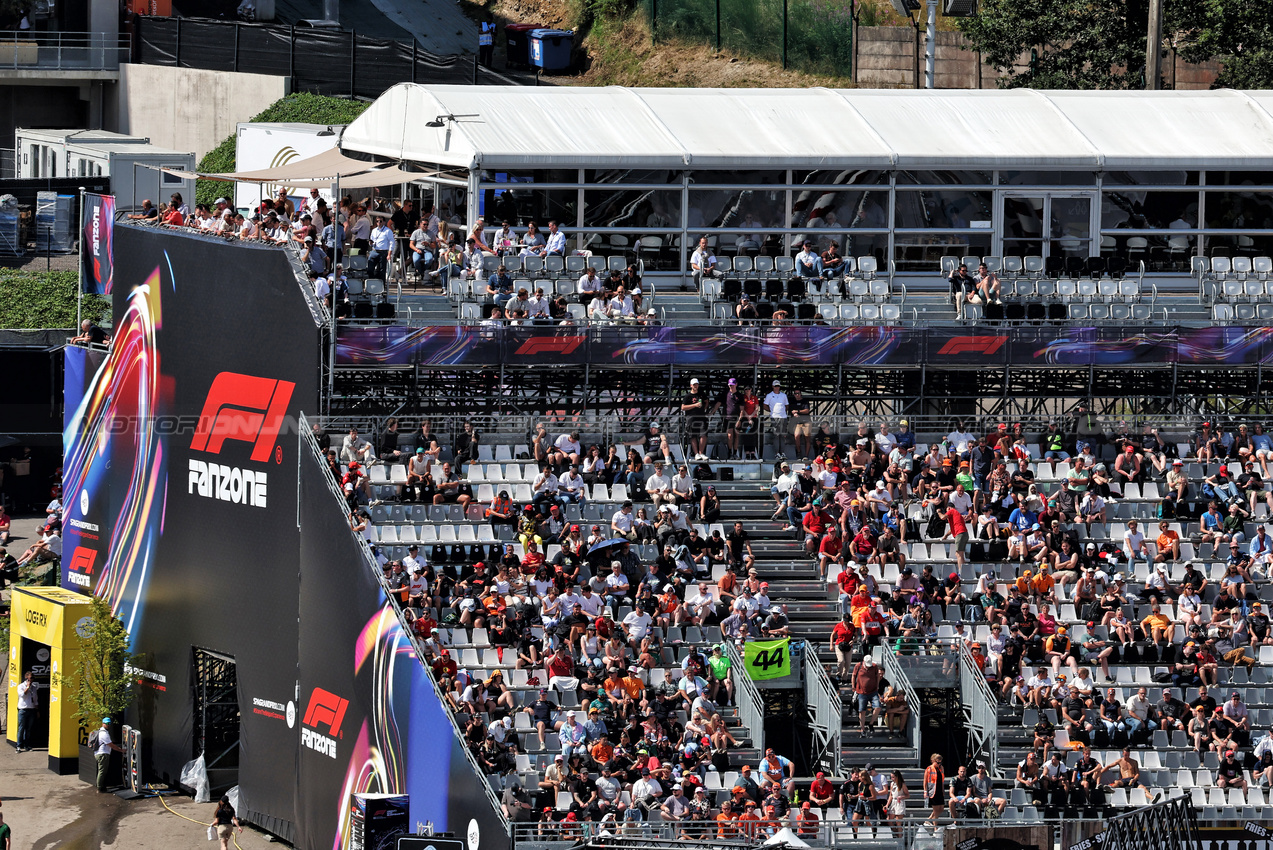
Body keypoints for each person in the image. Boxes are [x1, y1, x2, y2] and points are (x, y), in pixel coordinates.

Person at [93, 717, 125, 792]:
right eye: (107, 724)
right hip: (103, 754)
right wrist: (121, 750)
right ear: (103, 724)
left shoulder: (100, 731)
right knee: (102, 771)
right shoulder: (104, 734)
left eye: (109, 724)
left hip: (99, 753)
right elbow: (112, 745)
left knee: (102, 770)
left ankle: (101, 786)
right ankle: (100, 788)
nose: (108, 725)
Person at [15, 670, 36, 752]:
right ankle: (18, 746)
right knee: (21, 728)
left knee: (28, 729)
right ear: (26, 678)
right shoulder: (20, 686)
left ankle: (27, 745)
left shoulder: (34, 688)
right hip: (23, 710)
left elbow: (35, 699)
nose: (31, 680)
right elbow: (23, 695)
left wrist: (36, 710)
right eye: (30, 678)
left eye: (32, 678)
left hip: (31, 709)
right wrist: (27, 687)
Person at [923, 753, 945, 825]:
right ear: (933, 761)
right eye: (937, 762)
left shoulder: (941, 768)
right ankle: (935, 827)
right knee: (936, 811)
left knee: (941, 808)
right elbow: (925, 781)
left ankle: (929, 819)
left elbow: (942, 780)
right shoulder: (929, 769)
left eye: (940, 762)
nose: (939, 764)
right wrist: (925, 791)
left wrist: (943, 790)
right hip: (933, 791)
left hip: (939, 790)